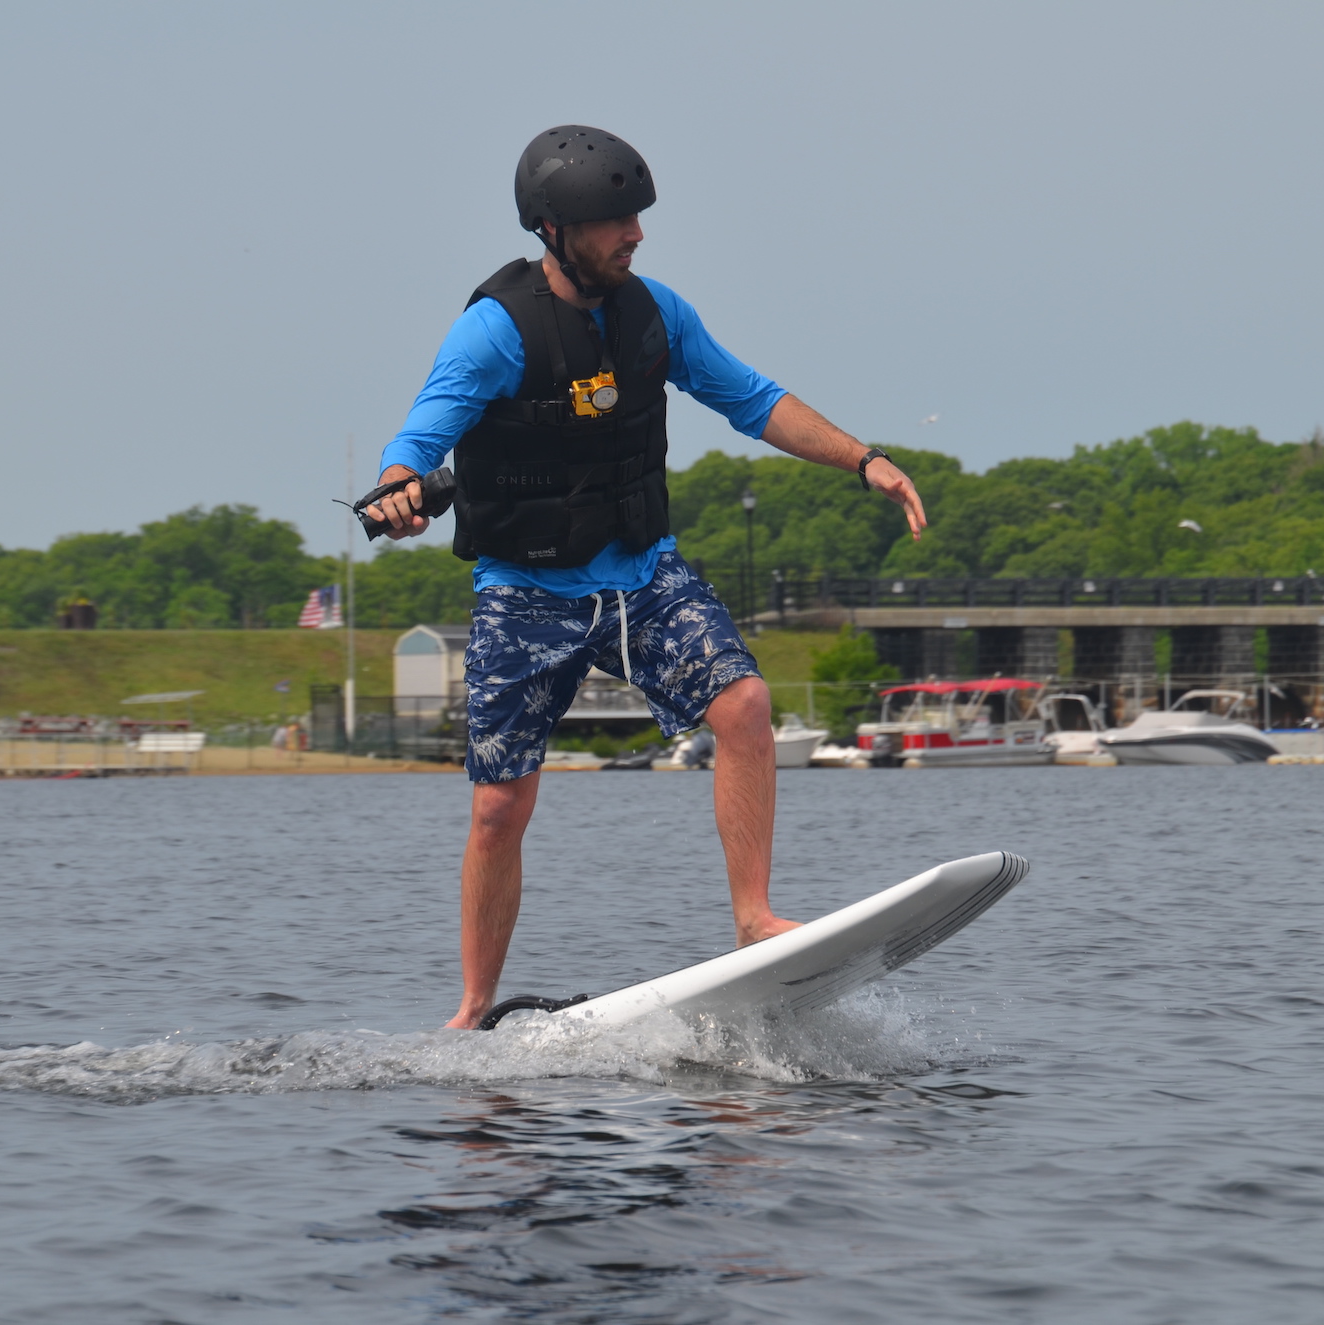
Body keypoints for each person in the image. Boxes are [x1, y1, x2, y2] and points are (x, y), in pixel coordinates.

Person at [364, 126, 927, 1029]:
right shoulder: (493, 334)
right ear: (553, 229)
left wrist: (864, 460)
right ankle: (473, 1010)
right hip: (525, 591)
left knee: (742, 705)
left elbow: (753, 398)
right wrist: (397, 487)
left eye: (636, 215)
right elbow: (420, 438)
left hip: (641, 578)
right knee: (500, 807)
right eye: (611, 220)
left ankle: (754, 920)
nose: (634, 232)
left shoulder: (656, 313)